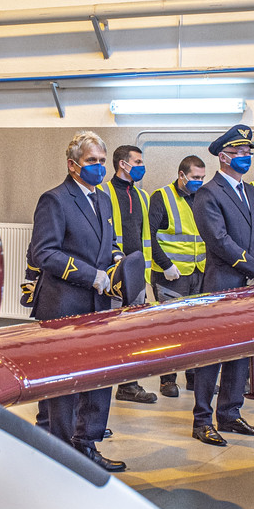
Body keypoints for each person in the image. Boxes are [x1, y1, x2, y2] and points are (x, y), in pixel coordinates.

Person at [27, 131, 128, 471]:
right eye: (91, 161)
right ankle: (60, 451)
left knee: (98, 378)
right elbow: (44, 253)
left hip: (98, 305)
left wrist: (116, 263)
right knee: (64, 386)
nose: (99, 167)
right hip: (64, 303)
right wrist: (91, 275)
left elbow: (109, 243)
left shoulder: (103, 199)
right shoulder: (55, 200)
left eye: (102, 161)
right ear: (73, 165)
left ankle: (87, 444)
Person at [188, 124, 254, 446]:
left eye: (248, 152)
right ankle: (202, 419)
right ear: (223, 157)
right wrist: (253, 267)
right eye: (239, 152)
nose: (245, 157)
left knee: (242, 351)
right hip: (222, 283)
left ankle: (230, 413)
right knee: (213, 353)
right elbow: (218, 239)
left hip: (251, 285)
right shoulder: (208, 193)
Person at [148, 155, 207, 398]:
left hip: (197, 271)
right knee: (170, 329)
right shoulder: (161, 197)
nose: (199, 182)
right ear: (181, 175)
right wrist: (166, 264)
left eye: (202, 178)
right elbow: (148, 236)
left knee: (195, 328)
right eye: (195, 177)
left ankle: (193, 377)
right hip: (170, 274)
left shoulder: (202, 197)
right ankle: (167, 380)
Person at [104, 144, 157, 404]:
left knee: (133, 332)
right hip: (112, 274)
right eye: (137, 162)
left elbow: (145, 236)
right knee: (111, 333)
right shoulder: (103, 192)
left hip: (137, 275)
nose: (141, 166)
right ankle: (103, 385)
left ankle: (129, 385)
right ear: (122, 164)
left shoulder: (142, 196)